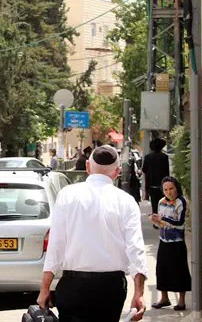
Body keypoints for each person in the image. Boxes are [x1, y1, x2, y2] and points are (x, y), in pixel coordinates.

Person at [38, 145, 148, 322]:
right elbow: (136, 249)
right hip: (110, 288)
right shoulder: (126, 202)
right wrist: (139, 293)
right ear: (117, 172)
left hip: (73, 286)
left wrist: (45, 289)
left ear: (88, 167)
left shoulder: (67, 195)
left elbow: (56, 245)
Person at [150, 176, 191, 311]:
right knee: (161, 269)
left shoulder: (181, 202)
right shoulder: (161, 202)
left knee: (179, 270)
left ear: (176, 188)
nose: (169, 192)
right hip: (164, 240)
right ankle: (164, 298)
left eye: (171, 188)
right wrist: (155, 220)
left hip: (177, 242)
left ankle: (181, 301)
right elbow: (160, 224)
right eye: (166, 189)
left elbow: (179, 223)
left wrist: (163, 219)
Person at [142, 138, 170, 215]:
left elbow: (144, 170)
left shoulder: (148, 157)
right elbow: (167, 172)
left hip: (151, 184)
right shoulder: (164, 157)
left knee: (154, 204)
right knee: (162, 204)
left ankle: (155, 220)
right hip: (162, 184)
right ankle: (161, 218)